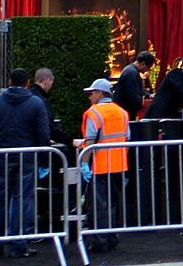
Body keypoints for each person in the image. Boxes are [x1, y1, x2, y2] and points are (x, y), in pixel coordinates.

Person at [0, 69, 51, 258]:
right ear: (28, 82)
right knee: (22, 199)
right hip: (26, 156)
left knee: (0, 200)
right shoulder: (36, 103)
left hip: (2, 155)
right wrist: (44, 160)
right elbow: (43, 134)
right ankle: (18, 243)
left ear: (10, 81)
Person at [75, 79, 129, 254]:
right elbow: (126, 137)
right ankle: (112, 238)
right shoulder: (122, 112)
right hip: (119, 165)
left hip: (100, 166)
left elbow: (90, 142)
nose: (89, 96)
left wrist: (84, 165)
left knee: (98, 205)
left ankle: (99, 240)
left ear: (100, 93)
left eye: (91, 93)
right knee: (114, 203)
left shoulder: (93, 113)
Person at [29, 68, 74, 148]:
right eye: (51, 81)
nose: (51, 85)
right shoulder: (40, 100)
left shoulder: (30, 96)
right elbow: (49, 127)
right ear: (47, 80)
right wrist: (70, 141)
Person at [146, 55, 183, 120]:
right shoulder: (175, 74)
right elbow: (180, 91)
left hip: (168, 113)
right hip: (160, 112)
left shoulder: (182, 77)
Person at [114, 51, 155, 119]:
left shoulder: (130, 70)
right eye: (149, 67)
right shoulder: (132, 73)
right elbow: (134, 97)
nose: (148, 70)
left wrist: (148, 94)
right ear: (143, 64)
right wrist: (142, 101)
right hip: (127, 113)